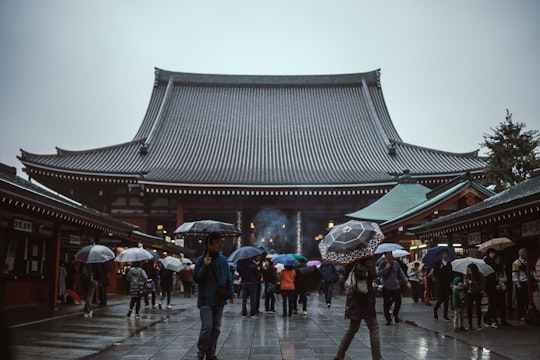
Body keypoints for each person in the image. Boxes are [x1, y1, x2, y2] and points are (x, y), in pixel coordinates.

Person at [193, 233, 235, 360]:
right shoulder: (201, 260)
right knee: (207, 326)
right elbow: (197, 278)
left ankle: (211, 353)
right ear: (209, 244)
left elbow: (228, 277)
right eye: (216, 242)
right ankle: (201, 353)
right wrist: (205, 266)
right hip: (205, 299)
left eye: (220, 242)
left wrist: (231, 293)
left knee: (216, 328)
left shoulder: (222, 260)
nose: (219, 245)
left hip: (219, 298)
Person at [334, 256, 381, 360]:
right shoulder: (369, 260)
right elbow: (373, 275)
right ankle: (377, 358)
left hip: (355, 299)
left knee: (352, 329)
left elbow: (347, 277)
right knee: (373, 327)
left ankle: (339, 355)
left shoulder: (350, 260)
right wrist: (375, 270)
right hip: (367, 299)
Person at [378, 251, 410, 325]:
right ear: (385, 256)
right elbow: (379, 274)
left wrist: (406, 282)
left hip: (396, 286)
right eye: (388, 255)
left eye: (391, 254)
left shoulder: (396, 263)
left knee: (398, 302)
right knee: (386, 303)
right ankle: (388, 318)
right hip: (386, 286)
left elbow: (401, 273)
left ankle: (395, 314)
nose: (390, 256)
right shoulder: (382, 263)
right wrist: (386, 268)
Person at [432, 248, 453, 321]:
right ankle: (435, 309)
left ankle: (445, 315)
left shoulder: (449, 264)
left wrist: (451, 282)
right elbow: (434, 273)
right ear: (442, 255)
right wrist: (440, 269)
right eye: (444, 254)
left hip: (447, 284)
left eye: (446, 254)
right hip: (440, 283)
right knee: (441, 298)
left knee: (446, 300)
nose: (445, 255)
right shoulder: (438, 263)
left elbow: (451, 274)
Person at [466, 263, 485, 330]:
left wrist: (473, 283)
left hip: (478, 293)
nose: (469, 272)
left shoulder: (480, 275)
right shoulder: (468, 276)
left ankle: (479, 324)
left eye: (470, 271)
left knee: (478, 308)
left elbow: (481, 286)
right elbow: (466, 285)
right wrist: (467, 283)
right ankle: (469, 324)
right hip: (469, 293)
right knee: (469, 308)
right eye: (468, 271)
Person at [483, 248, 499, 327]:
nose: (493, 254)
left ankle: (488, 318)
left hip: (493, 284)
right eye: (492, 253)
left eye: (494, 253)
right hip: (489, 284)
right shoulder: (486, 261)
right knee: (493, 302)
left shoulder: (492, 261)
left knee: (493, 302)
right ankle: (491, 319)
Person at [512, 248, 528, 321]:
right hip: (520, 282)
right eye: (525, 253)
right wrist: (517, 283)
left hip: (527, 282)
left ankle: (527, 311)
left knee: (527, 298)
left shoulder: (527, 261)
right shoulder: (516, 263)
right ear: (521, 254)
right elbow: (515, 274)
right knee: (520, 299)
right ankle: (521, 314)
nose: (526, 254)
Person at [495, 258, 511, 326]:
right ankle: (500, 320)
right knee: (499, 305)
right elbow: (505, 279)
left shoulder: (502, 271)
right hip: (499, 288)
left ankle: (503, 320)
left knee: (502, 305)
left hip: (502, 288)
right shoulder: (498, 271)